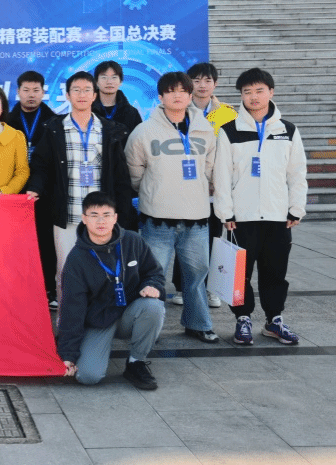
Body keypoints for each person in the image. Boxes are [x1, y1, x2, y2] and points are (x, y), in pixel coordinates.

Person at [213, 68, 307, 346]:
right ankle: (242, 319)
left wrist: (296, 208)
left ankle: (274, 320)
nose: (253, 97)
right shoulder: (229, 130)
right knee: (240, 274)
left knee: (275, 272)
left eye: (259, 91)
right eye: (247, 92)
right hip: (241, 217)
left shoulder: (287, 130)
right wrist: (225, 212)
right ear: (241, 95)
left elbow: (297, 173)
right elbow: (221, 175)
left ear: (271, 92)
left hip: (278, 215)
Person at [26, 72, 137, 305]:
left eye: (87, 90)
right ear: (67, 95)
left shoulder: (109, 130)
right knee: (66, 271)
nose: (82, 94)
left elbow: (120, 176)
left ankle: (100, 319)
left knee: (103, 270)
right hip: (66, 214)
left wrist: (123, 212)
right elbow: (41, 166)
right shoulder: (54, 128)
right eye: (76, 90)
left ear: (95, 95)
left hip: (101, 217)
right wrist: (35, 188)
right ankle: (68, 320)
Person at [125, 71, 219, 344]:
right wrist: (155, 190)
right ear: (161, 96)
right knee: (151, 277)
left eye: (182, 91)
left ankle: (198, 323)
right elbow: (135, 172)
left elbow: (210, 169)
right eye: (171, 91)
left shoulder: (206, 130)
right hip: (157, 219)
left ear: (190, 95)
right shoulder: (144, 131)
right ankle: (147, 327)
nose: (177, 95)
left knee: (196, 275)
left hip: (196, 218)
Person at [56, 192, 165, 389]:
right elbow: (72, 309)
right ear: (84, 219)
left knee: (153, 307)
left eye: (106, 215)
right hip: (98, 320)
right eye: (94, 215)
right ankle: (91, 348)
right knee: (88, 376)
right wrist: (68, 354)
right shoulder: (76, 259)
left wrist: (152, 285)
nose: (101, 221)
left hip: (129, 312)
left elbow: (154, 272)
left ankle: (136, 362)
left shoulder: (132, 241)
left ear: (115, 218)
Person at [169, 62, 239, 308]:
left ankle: (211, 288)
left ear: (215, 84)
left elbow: (234, 152)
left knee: (212, 237)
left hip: (216, 187)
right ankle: (181, 287)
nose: (202, 85)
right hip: (186, 185)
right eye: (196, 80)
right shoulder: (178, 110)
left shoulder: (228, 114)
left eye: (207, 80)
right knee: (184, 237)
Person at [7, 70, 59, 308]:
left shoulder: (54, 121)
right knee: (15, 243)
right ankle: (16, 290)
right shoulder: (7, 121)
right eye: (26, 90)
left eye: (36, 90)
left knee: (46, 242)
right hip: (13, 193)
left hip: (45, 193)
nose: (31, 95)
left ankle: (49, 289)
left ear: (43, 92)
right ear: (18, 92)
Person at [91, 61, 142, 140]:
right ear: (96, 82)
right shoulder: (88, 110)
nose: (109, 82)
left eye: (114, 77)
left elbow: (138, 142)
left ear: (120, 82)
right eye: (104, 77)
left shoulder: (131, 113)